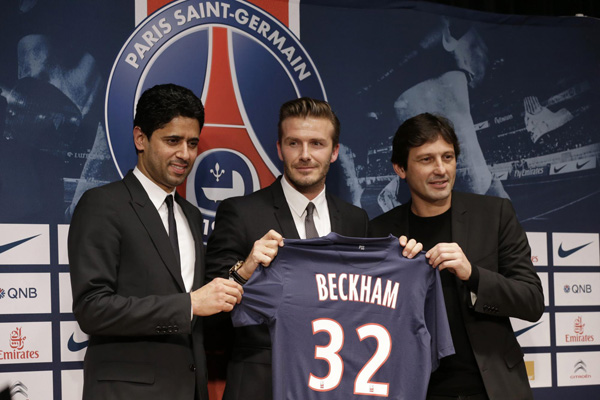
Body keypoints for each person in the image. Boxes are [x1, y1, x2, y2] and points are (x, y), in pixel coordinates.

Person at [205, 97, 421, 400]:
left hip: (340, 385)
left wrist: (405, 263)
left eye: (317, 144)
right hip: (262, 386)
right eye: (294, 143)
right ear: (279, 148)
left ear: (334, 153)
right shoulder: (240, 213)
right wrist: (245, 269)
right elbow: (210, 311)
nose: (305, 155)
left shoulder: (355, 219)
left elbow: (368, 306)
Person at [68, 84, 244, 400]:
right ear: (140, 138)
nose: (185, 154)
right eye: (172, 141)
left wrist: (243, 272)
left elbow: (202, 302)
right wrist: (189, 304)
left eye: (192, 143)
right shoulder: (102, 205)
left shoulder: (190, 214)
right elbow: (92, 308)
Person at [369, 113, 544, 400]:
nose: (441, 170)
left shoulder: (495, 214)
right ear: (400, 168)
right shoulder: (381, 231)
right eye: (426, 159)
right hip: (415, 389)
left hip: (490, 389)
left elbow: (532, 301)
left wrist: (473, 275)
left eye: (447, 157)